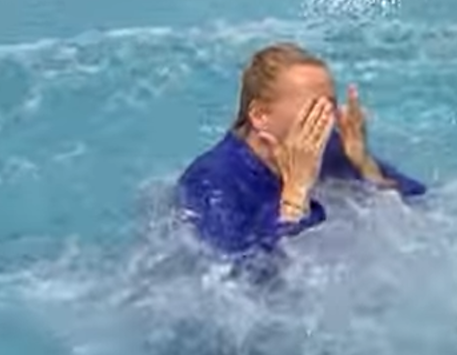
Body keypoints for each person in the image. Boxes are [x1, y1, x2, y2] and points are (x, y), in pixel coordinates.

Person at [178, 43, 425, 259]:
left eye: (328, 106)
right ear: (260, 115)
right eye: (313, 109)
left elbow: (417, 204)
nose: (328, 120)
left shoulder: (329, 149)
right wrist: (295, 193)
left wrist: (364, 163)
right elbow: (234, 279)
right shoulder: (212, 180)